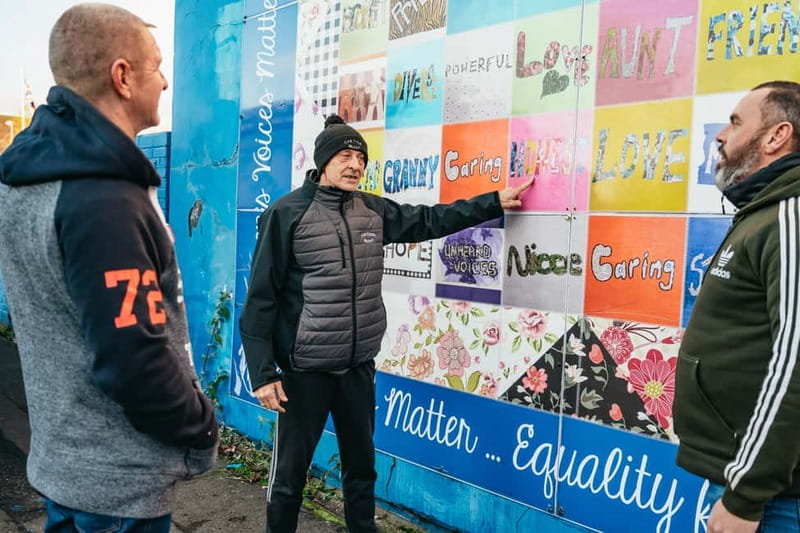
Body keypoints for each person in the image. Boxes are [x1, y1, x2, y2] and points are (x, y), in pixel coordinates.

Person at [240, 113, 532, 532]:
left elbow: (430, 220)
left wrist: (493, 201)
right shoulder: (286, 214)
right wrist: (263, 372)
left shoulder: (371, 210)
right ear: (323, 161)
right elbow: (260, 299)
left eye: (360, 157)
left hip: (357, 368)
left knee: (361, 473)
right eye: (345, 155)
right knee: (289, 478)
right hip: (305, 371)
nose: (355, 165)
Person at [0, 4, 218, 532]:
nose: (166, 81)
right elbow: (133, 361)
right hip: (117, 490)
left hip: (67, 465)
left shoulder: (28, 174)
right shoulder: (103, 199)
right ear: (122, 77)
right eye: (157, 66)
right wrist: (202, 425)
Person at [674, 81, 800, 533]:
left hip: (769, 498)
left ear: (775, 136)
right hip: (747, 481)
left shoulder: (789, 216)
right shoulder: (764, 211)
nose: (720, 136)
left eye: (735, 122)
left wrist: (745, 497)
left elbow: (793, 363)